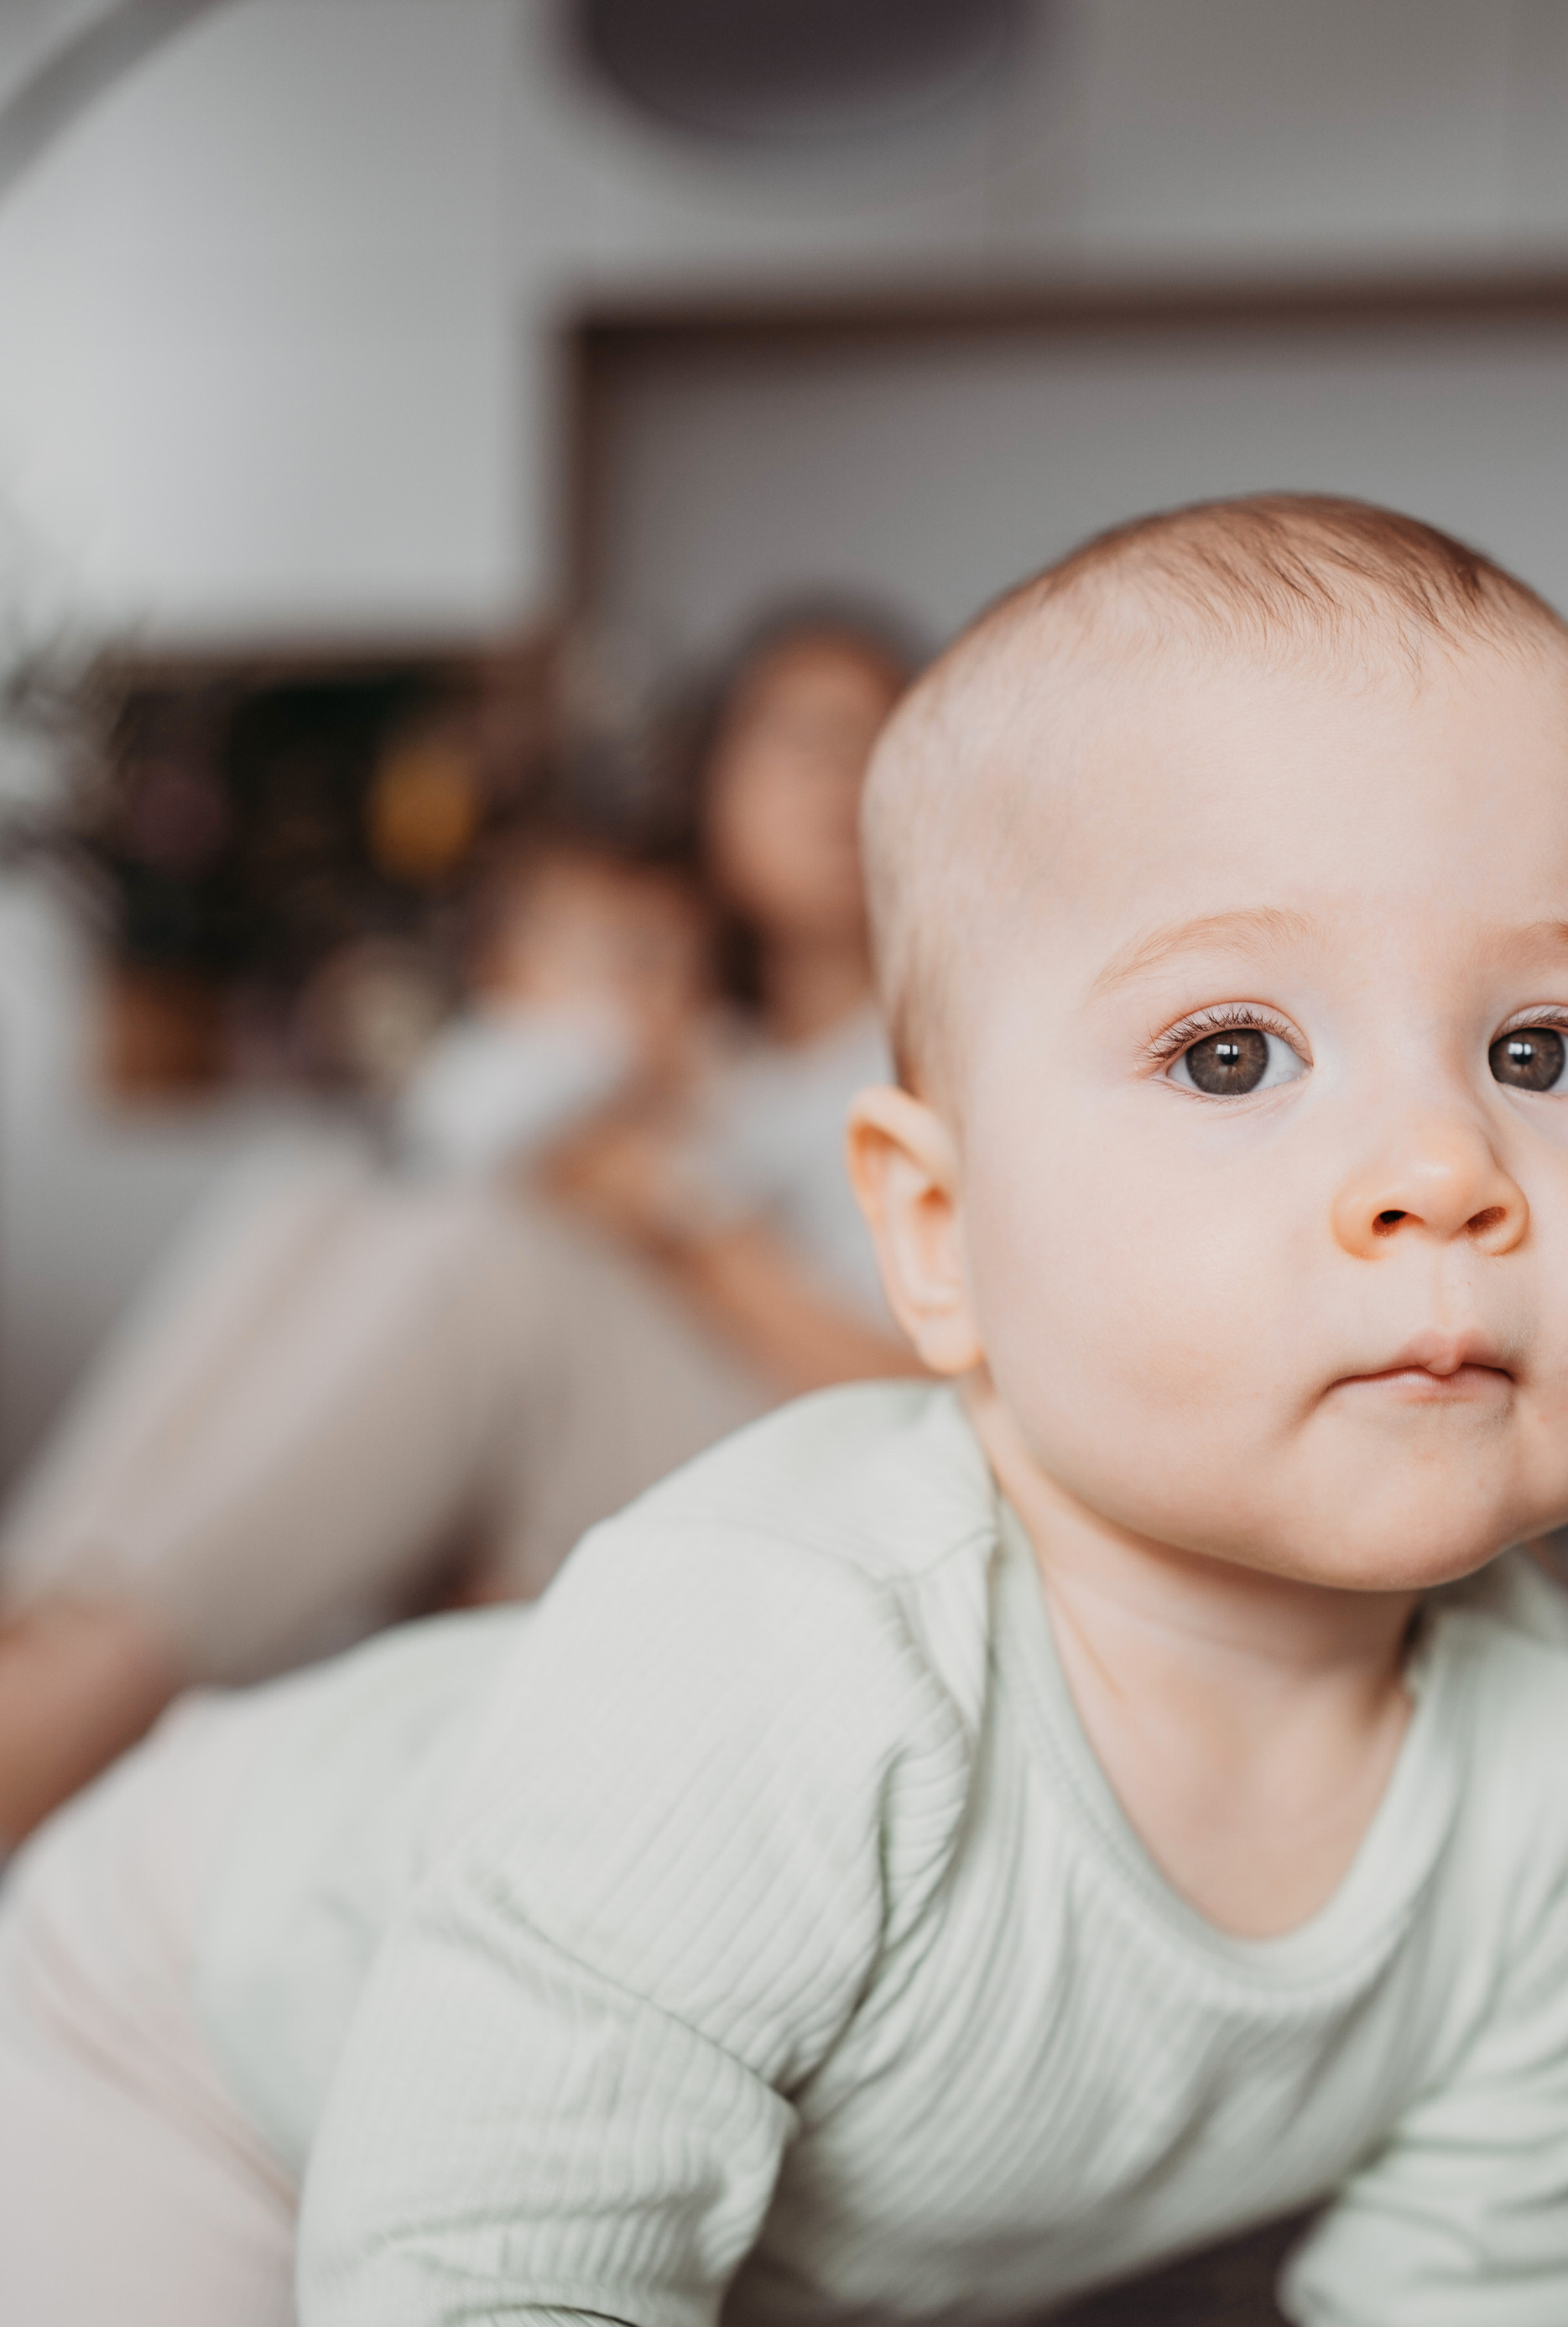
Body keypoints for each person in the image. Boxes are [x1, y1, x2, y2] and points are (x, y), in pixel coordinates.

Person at [0, 496, 1568, 2327]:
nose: (1444, 1172)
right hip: (201, 2019)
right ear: (935, 1233)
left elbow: (1491, 2282)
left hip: (595, 2128)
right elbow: (499, 2275)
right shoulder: (785, 1639)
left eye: (1550, 1048)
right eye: (1235, 1056)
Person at [0, 613, 916, 1846]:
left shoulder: (933, 1044)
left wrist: (674, 1217)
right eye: (802, 735)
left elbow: (940, 1400)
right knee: (312, 1192)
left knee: (487, 1260)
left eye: (880, 732)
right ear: (714, 785)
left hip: (821, 1457)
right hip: (630, 1402)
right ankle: (49, 1606)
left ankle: (82, 1687)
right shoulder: (686, 1026)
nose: (842, 771)